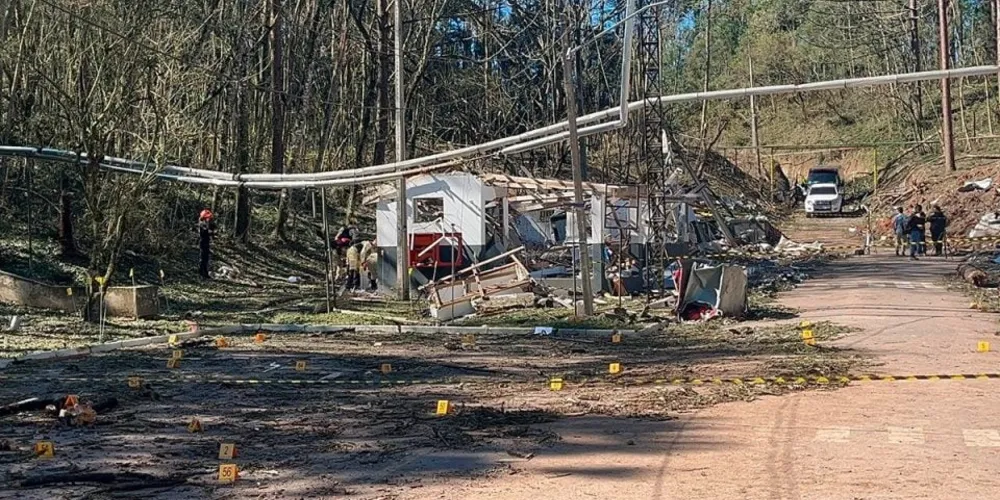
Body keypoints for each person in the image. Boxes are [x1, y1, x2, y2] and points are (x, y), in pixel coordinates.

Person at [197, 209, 217, 279]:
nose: (209, 219)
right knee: (202, 258)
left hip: (207, 242)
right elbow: (204, 232)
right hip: (202, 242)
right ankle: (200, 273)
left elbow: (212, 229)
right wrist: (210, 232)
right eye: (207, 217)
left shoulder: (207, 223)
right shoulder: (202, 224)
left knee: (206, 258)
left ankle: (205, 273)